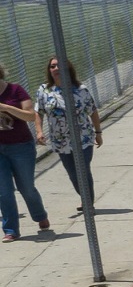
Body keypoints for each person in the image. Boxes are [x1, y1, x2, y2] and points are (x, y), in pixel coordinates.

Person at [34, 59, 102, 216]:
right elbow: (38, 111)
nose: (56, 68)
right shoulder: (44, 90)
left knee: (83, 170)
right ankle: (84, 198)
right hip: (60, 140)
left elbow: (92, 111)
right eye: (52, 66)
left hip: (83, 138)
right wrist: (39, 131)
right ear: (49, 70)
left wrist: (98, 133)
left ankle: (88, 203)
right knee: (73, 174)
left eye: (60, 66)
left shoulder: (80, 90)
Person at [0, 68, 51, 241]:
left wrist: (5, 107)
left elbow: (30, 116)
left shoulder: (15, 90)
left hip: (20, 146)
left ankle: (39, 215)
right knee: (4, 191)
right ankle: (10, 230)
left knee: (26, 187)